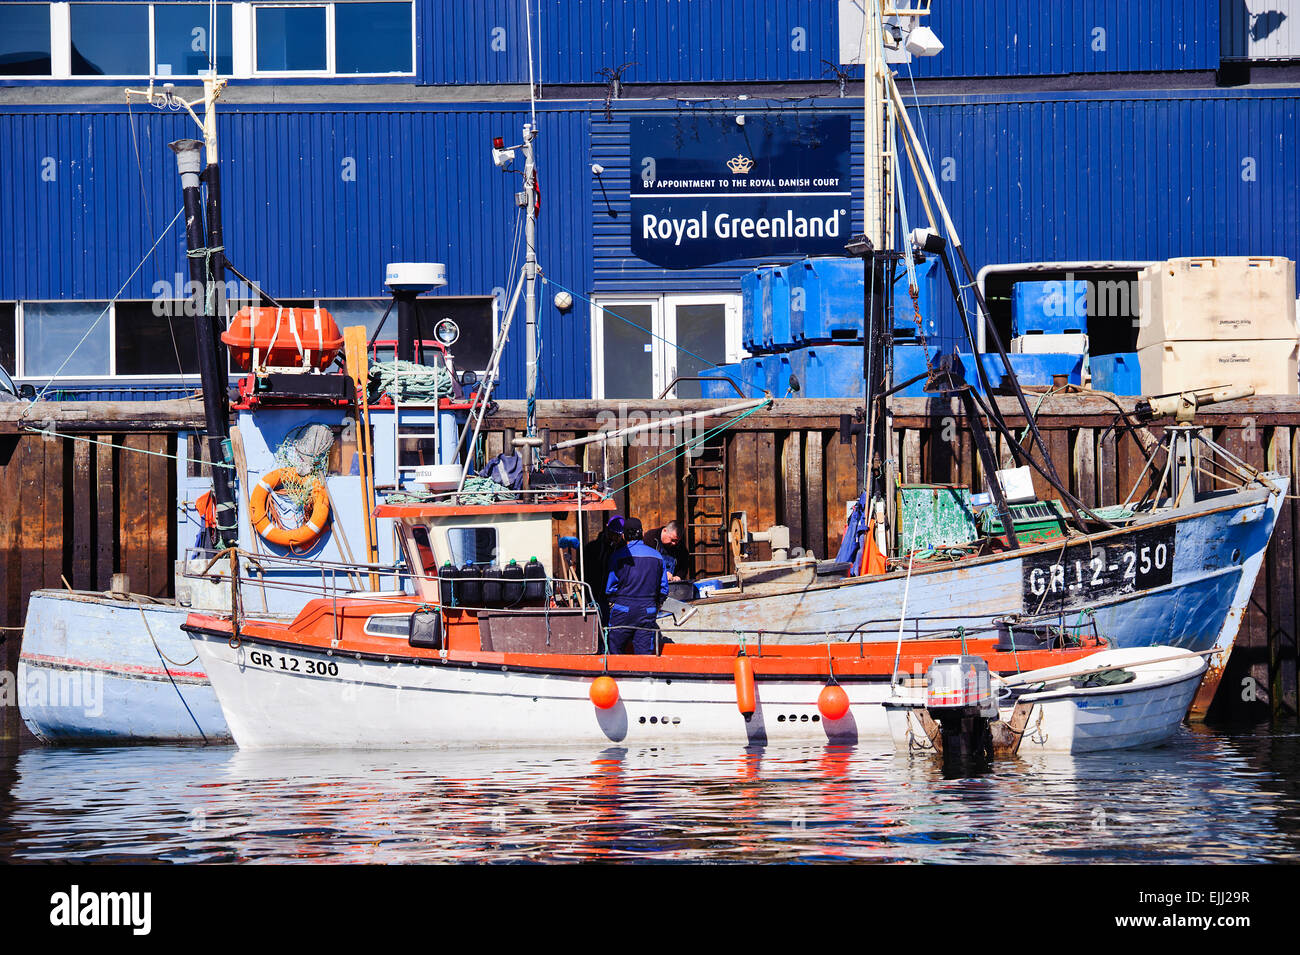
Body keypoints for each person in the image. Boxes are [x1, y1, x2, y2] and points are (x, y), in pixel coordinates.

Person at [604, 518, 669, 655]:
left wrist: (613, 602)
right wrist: (657, 604)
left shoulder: (617, 556)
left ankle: (617, 676)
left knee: (616, 651)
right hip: (648, 609)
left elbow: (610, 588)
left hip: (623, 609)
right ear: (643, 533)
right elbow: (663, 589)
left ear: (624, 535)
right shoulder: (657, 556)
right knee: (644, 654)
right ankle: (643, 676)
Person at [582, 514, 624, 625]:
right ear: (607, 529)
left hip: (617, 597)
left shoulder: (623, 551)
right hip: (595, 594)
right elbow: (585, 572)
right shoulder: (592, 548)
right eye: (612, 534)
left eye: (618, 535)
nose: (615, 538)